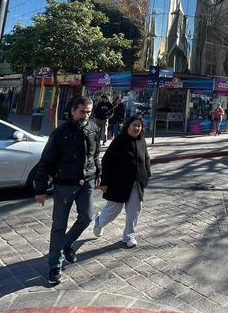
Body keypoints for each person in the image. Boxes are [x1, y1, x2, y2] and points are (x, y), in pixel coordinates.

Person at [34, 97, 101, 285]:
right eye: (82, 112)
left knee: (87, 217)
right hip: (64, 184)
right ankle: (55, 265)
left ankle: (65, 244)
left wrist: (98, 172)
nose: (86, 115)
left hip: (87, 181)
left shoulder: (94, 128)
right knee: (59, 225)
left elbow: (95, 153)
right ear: (73, 111)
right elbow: (46, 161)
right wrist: (40, 188)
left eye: (89, 112)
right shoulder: (60, 133)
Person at [93, 116, 151, 247]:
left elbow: (146, 158)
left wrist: (147, 174)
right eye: (134, 125)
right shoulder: (119, 141)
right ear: (128, 126)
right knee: (113, 210)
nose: (136, 128)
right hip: (118, 183)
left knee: (134, 211)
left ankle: (129, 236)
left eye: (139, 126)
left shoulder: (142, 141)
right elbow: (106, 161)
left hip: (136, 183)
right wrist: (104, 182)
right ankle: (99, 222)